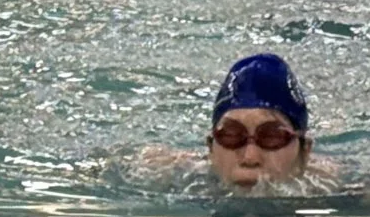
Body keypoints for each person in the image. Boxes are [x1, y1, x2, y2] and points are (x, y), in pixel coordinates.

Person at [137, 53, 341, 194]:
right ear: (210, 148)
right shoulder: (170, 172)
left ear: (304, 153)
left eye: (271, 137)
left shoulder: (336, 189)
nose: (250, 158)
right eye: (231, 136)